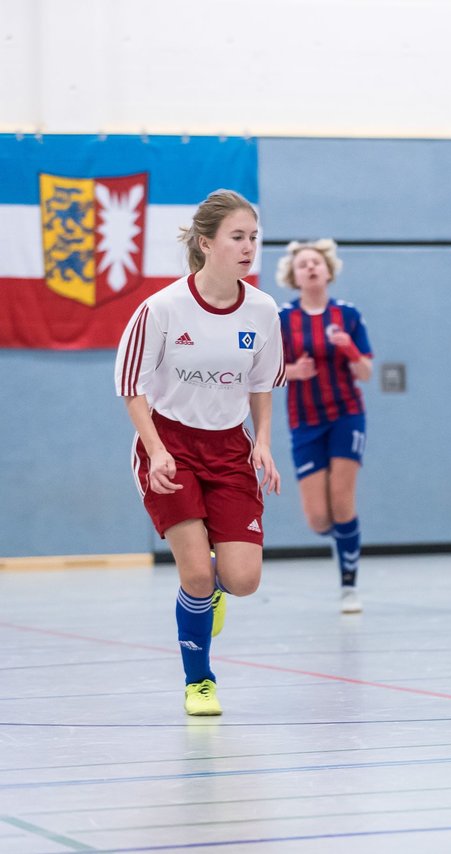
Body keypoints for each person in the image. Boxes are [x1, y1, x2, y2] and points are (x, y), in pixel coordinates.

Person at [114, 189, 285, 716]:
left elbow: (262, 384)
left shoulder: (262, 310)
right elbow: (131, 386)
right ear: (206, 243)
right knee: (194, 573)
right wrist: (156, 450)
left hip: (229, 448)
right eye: (237, 237)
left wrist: (264, 444)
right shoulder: (162, 308)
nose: (248, 247)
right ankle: (199, 679)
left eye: (253, 237)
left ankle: (209, 592)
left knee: (241, 580)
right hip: (171, 445)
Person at [276, 240, 373, 614]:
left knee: (342, 500)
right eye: (303, 264)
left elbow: (365, 371)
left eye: (316, 262)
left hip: (346, 414)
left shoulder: (348, 315)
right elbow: (266, 373)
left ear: (328, 270)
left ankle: (349, 586)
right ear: (293, 275)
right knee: (318, 518)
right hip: (304, 421)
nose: (311, 268)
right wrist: (292, 371)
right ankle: (346, 540)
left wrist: (348, 348)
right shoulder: (283, 319)